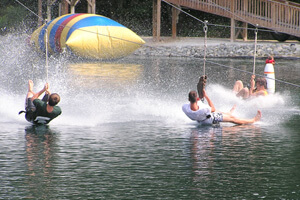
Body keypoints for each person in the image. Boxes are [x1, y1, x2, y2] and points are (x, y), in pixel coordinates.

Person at [182, 90, 261, 125]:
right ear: (197, 99)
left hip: (200, 120)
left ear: (189, 99)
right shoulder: (203, 109)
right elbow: (212, 108)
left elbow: (210, 109)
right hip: (209, 119)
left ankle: (227, 113)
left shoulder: (185, 108)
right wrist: (206, 96)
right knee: (233, 119)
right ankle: (253, 120)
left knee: (217, 111)